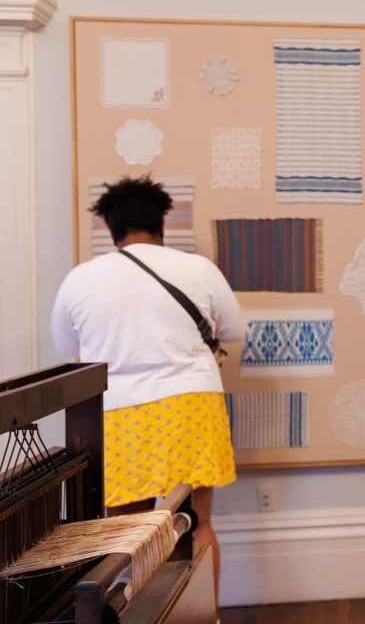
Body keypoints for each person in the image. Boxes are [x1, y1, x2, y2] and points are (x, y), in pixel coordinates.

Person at [51, 175, 242, 596]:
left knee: (126, 533)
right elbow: (235, 331)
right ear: (162, 224)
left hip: (120, 409)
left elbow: (69, 348)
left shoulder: (81, 279)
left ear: (109, 228)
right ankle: (205, 617)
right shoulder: (198, 269)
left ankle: (133, 615)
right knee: (197, 524)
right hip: (191, 402)